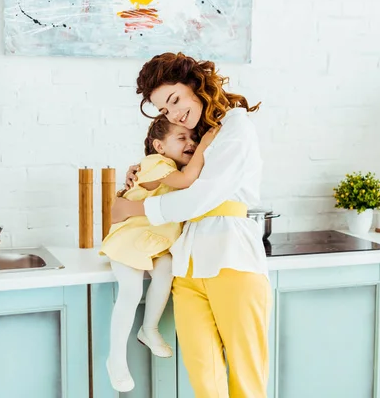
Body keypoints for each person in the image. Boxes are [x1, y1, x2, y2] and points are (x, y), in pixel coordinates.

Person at [111, 52, 271, 398]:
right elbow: (174, 172)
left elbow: (201, 198)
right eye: (165, 110)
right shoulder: (198, 135)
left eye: (175, 100)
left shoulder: (237, 125)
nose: (174, 113)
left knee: (246, 377)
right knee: (204, 379)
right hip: (187, 265)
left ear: (196, 84)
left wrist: (134, 207)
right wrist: (142, 171)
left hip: (233, 262)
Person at [101, 115, 214, 392]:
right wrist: (206, 145)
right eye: (182, 138)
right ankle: (115, 358)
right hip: (130, 238)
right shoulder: (155, 164)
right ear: (159, 146)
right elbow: (187, 181)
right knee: (130, 291)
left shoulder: (169, 165)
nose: (191, 143)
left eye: (194, 138)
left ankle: (148, 329)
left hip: (155, 244)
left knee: (165, 274)